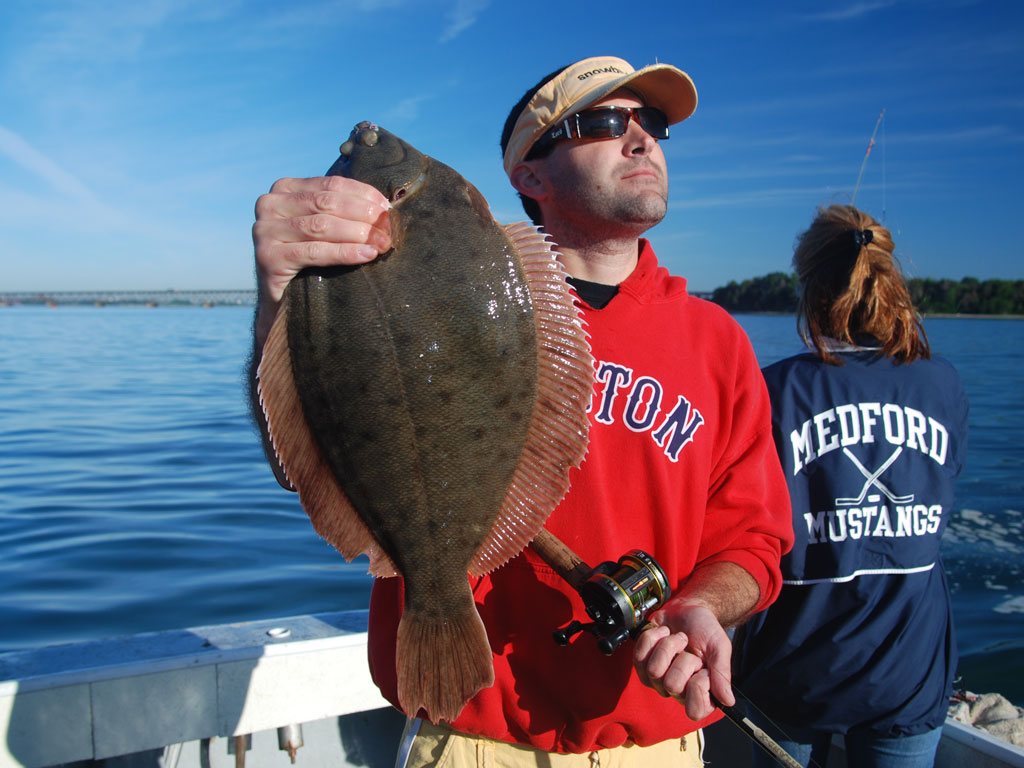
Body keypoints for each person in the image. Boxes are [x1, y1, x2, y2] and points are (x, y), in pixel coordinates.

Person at [249, 55, 793, 766]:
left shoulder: (718, 341)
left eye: (652, 123)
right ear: (527, 175)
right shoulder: (406, 292)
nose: (641, 140)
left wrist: (703, 606)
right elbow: (301, 459)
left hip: (659, 745)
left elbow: (753, 539)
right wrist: (278, 302)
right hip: (475, 744)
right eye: (601, 122)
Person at [733, 204, 969, 768]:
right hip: (911, 674)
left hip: (794, 673)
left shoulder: (777, 391)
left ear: (810, 287)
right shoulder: (943, 385)